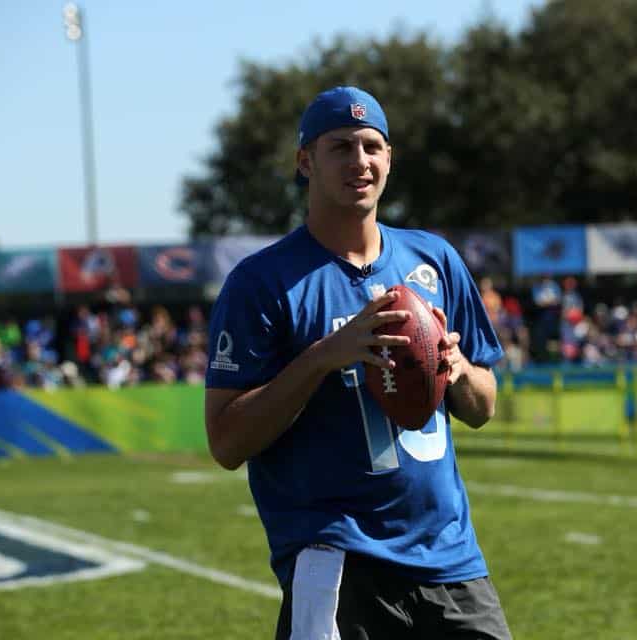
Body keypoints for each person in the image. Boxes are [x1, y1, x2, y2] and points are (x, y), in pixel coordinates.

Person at [205, 86, 512, 639]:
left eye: (372, 146)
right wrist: (324, 356)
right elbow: (226, 442)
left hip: (451, 559)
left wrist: (459, 368)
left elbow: (484, 407)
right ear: (306, 162)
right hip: (338, 564)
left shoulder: (434, 260)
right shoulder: (261, 282)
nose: (359, 161)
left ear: (389, 158)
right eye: (340, 147)